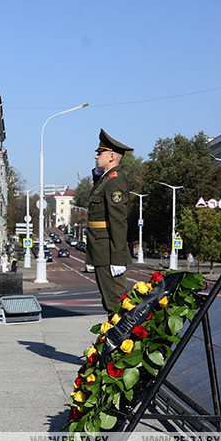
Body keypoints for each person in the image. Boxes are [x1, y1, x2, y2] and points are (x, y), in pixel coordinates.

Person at [85, 129, 132, 314]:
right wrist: (97, 174)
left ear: (111, 156)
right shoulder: (106, 179)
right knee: (109, 300)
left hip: (108, 251)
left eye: (100, 153)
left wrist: (118, 258)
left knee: (116, 302)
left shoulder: (115, 181)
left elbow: (118, 220)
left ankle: (126, 340)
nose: (96, 156)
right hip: (101, 249)